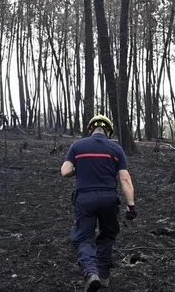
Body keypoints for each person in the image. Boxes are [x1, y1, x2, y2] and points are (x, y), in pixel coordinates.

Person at [60, 114, 137, 292]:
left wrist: (78, 169)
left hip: (85, 199)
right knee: (107, 234)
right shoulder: (116, 149)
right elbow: (125, 178)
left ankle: (91, 272)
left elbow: (65, 171)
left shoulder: (77, 146)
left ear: (90, 129)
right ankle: (103, 275)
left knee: (82, 238)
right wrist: (131, 205)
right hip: (109, 199)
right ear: (108, 131)